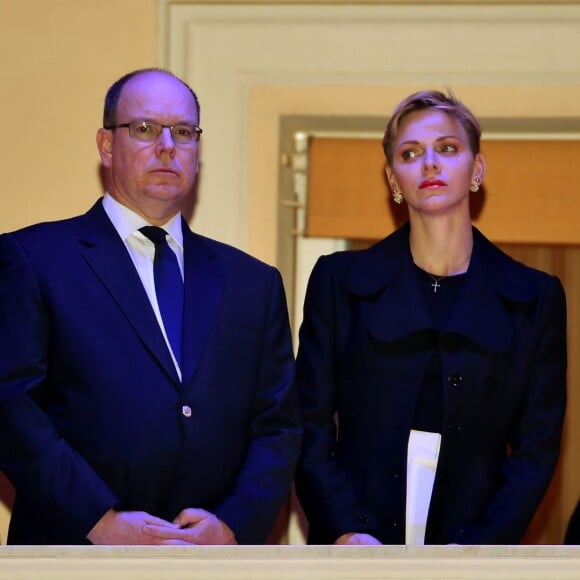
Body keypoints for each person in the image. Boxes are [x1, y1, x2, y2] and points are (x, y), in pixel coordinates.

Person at [0, 68, 301, 545]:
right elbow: (11, 407)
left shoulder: (253, 283)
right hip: (73, 555)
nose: (167, 146)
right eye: (144, 129)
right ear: (105, 145)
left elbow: (279, 427)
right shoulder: (34, 259)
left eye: (183, 132)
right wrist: (98, 520)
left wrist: (231, 526)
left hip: (213, 565)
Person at [294, 90, 567, 545]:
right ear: (392, 179)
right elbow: (308, 425)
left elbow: (536, 449)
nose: (430, 164)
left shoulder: (534, 297)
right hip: (357, 550)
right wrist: (345, 531)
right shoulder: (339, 281)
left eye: (447, 148)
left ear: (476, 168)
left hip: (477, 551)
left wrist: (482, 549)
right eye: (410, 153)